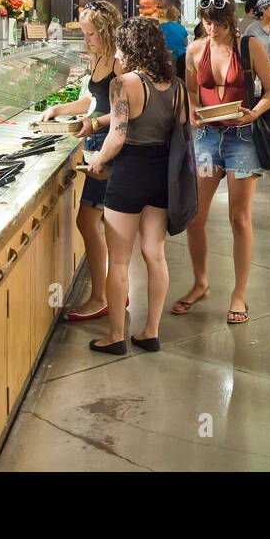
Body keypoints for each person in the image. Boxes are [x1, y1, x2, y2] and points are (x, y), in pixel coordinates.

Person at [176, 0, 270, 325]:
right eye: (206, 22)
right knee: (196, 216)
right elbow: (191, 91)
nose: (211, 29)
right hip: (207, 136)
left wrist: (254, 113)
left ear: (229, 19)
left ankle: (239, 294)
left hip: (242, 138)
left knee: (239, 218)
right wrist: (193, 111)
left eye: (217, 23)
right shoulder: (194, 50)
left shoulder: (249, 47)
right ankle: (201, 282)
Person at [84, 17, 185, 354]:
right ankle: (151, 332)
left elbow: (118, 134)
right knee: (155, 254)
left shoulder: (124, 83)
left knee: (121, 261)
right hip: (161, 177)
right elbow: (182, 133)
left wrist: (98, 159)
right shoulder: (176, 85)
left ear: (130, 47)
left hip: (128, 174)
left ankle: (115, 336)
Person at [40, 0, 123, 322]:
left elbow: (122, 112)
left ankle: (102, 296)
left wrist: (96, 126)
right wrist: (59, 110)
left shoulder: (118, 63)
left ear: (106, 32)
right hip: (95, 142)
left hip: (109, 148)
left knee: (91, 222)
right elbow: (93, 100)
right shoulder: (99, 58)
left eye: (91, 34)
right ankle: (113, 292)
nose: (86, 40)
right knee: (98, 222)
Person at [159, 3, 189, 79]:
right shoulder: (181, 27)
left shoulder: (161, 27)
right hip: (181, 56)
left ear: (166, 15)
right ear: (177, 15)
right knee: (180, 77)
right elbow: (186, 43)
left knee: (166, 78)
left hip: (166, 56)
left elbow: (158, 42)